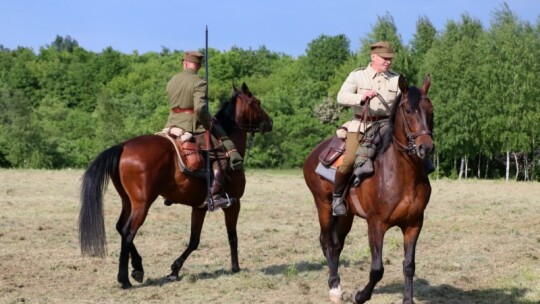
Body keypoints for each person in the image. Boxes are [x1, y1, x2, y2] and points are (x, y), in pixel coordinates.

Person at [163, 50, 243, 209]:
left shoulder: (172, 80)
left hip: (171, 124)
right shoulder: (199, 81)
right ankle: (214, 196)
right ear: (198, 65)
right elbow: (199, 108)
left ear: (184, 63)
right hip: (191, 125)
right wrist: (208, 123)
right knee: (222, 153)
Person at [331, 41, 401, 216]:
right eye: (385, 58)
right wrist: (361, 97)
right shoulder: (358, 76)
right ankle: (337, 197)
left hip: (387, 126)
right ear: (373, 57)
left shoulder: (396, 79)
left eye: (390, 59)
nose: (388, 62)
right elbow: (341, 96)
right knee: (350, 160)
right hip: (361, 125)